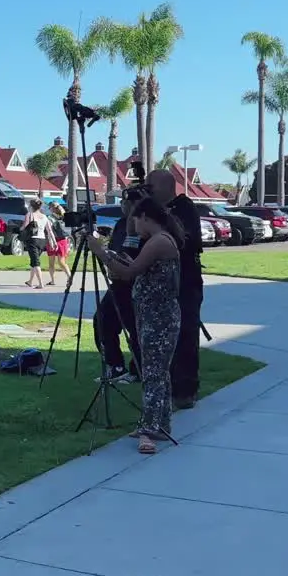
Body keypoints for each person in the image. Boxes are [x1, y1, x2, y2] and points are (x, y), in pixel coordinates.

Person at [86, 197, 182, 455]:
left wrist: (100, 252)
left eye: (135, 220)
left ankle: (149, 429)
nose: (133, 226)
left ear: (145, 218)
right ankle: (161, 423)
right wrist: (117, 259)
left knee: (152, 373)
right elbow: (137, 269)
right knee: (159, 372)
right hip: (153, 315)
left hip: (159, 318)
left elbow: (130, 272)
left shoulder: (159, 241)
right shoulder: (158, 241)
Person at [146, 170, 204, 409]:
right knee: (163, 334)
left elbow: (187, 240)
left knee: (186, 332)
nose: (148, 191)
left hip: (187, 280)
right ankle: (164, 384)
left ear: (167, 187)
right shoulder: (151, 210)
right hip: (162, 281)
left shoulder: (184, 207)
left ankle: (186, 389)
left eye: (152, 187)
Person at [93, 197, 141, 382]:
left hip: (136, 285)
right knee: (102, 319)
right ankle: (115, 365)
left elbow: (132, 256)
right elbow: (118, 250)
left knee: (135, 327)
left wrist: (103, 254)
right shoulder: (122, 224)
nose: (124, 204)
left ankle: (138, 369)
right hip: (118, 282)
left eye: (130, 200)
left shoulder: (145, 225)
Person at [19, 199, 55, 289]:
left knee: (36, 263)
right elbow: (49, 230)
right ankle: (30, 281)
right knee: (34, 261)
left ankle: (40, 284)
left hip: (33, 240)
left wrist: (20, 229)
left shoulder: (30, 215)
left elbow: (24, 226)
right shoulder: (44, 216)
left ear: (31, 206)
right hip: (42, 240)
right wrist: (53, 241)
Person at [45, 203, 72, 286]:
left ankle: (53, 280)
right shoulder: (65, 217)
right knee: (62, 262)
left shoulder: (50, 218)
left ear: (51, 208)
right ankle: (69, 277)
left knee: (51, 262)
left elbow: (49, 230)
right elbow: (67, 231)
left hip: (52, 240)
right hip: (63, 240)